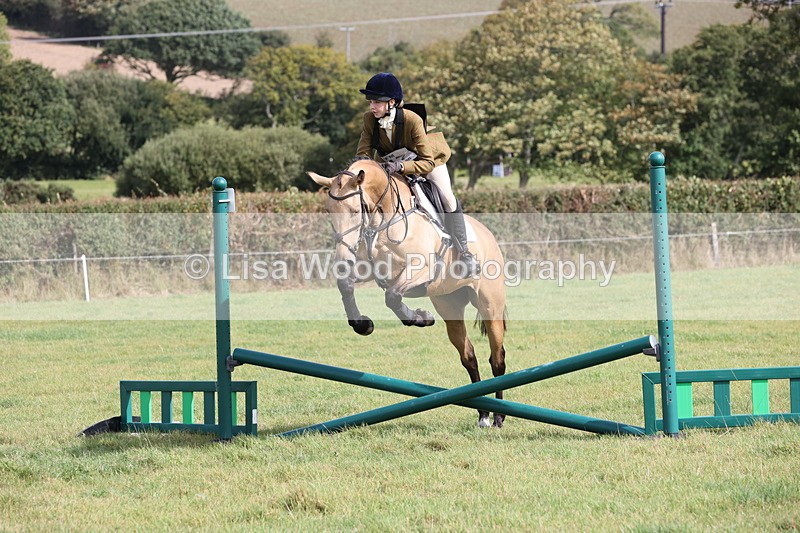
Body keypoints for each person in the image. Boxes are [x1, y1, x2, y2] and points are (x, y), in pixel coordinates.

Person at [356, 72, 481, 277]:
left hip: (426, 161)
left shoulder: (412, 119)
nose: (372, 106)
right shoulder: (369, 119)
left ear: (392, 102)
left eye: (377, 102)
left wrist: (400, 167)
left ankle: (464, 252)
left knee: (447, 197)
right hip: (390, 165)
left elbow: (427, 161)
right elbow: (363, 155)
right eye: (370, 102)